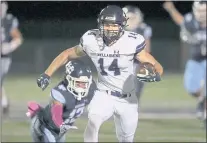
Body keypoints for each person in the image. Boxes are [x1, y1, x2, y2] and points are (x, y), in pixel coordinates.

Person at [37, 5, 163, 142]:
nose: (109, 29)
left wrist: (156, 74)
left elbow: (155, 64)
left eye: (113, 25)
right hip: (104, 94)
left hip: (128, 97)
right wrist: (47, 74)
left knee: (126, 138)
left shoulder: (132, 41)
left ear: (122, 25)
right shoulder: (92, 40)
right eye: (106, 25)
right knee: (93, 121)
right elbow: (68, 54)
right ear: (100, 24)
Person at [28, 60, 96, 142]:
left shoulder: (91, 89)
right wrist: (61, 125)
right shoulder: (61, 93)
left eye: (84, 84)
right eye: (78, 83)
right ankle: (35, 111)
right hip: (46, 126)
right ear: (69, 80)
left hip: (60, 131)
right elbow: (56, 115)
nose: (82, 87)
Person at [163, 1, 206, 121]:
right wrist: (171, 9)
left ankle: (203, 109)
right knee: (191, 88)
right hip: (195, 59)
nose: (202, 14)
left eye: (204, 11)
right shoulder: (190, 20)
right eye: (200, 11)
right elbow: (181, 21)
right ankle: (201, 99)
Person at [122, 5, 153, 102]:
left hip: (138, 60)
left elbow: (147, 50)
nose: (131, 21)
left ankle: (134, 102)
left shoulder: (143, 29)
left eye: (133, 18)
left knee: (138, 81)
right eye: (128, 18)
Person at [0, 1, 23, 114]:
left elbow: (18, 38)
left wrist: (8, 47)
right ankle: (4, 103)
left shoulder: (8, 20)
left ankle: (4, 104)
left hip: (3, 57)